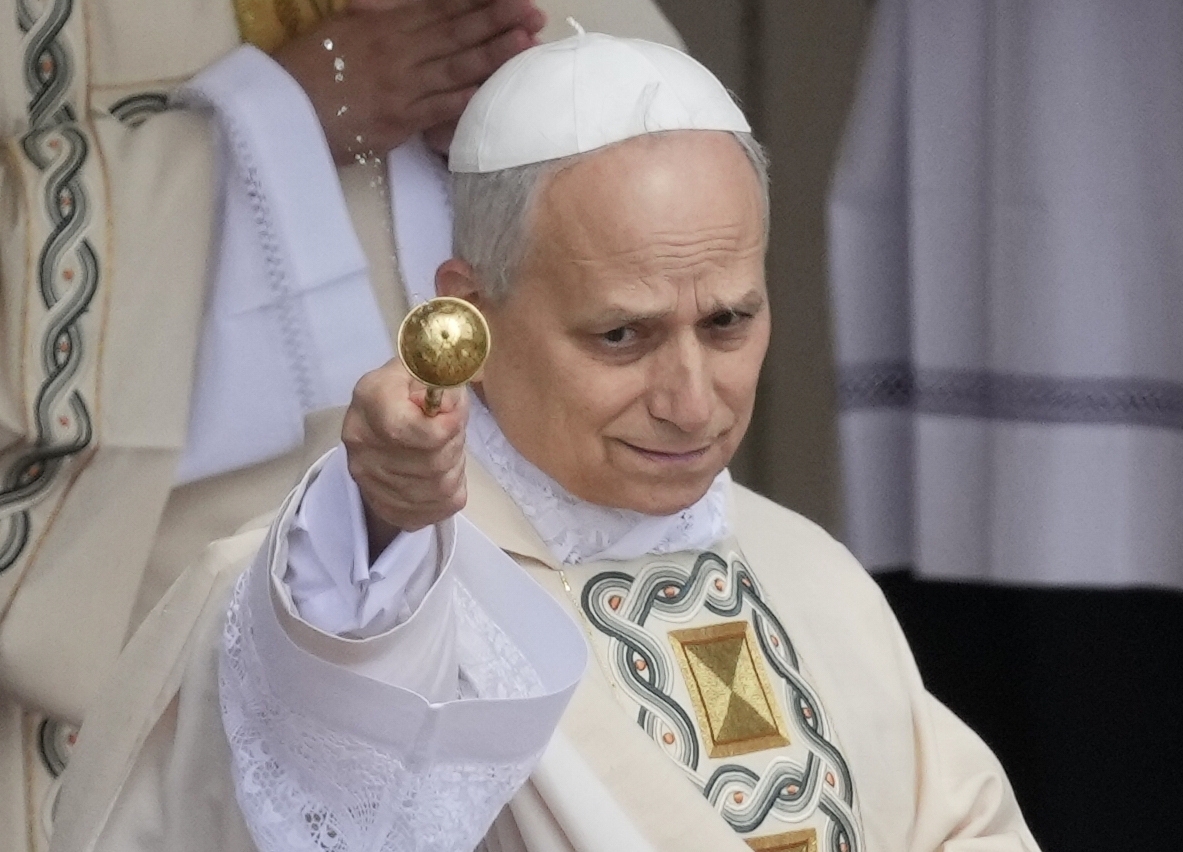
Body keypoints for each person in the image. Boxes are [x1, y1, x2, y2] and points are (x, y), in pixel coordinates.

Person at [47, 32, 1039, 852]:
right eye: (623, 335)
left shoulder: (812, 573)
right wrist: (386, 517)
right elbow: (328, 723)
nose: (693, 402)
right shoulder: (371, 585)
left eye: (729, 322)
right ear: (468, 311)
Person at [0, 3, 680, 851]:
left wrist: (546, 118)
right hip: (154, 592)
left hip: (507, 585)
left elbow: (690, 164)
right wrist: (278, 115)